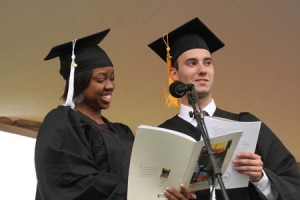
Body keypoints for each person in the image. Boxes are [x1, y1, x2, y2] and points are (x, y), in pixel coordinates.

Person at [148, 17, 300, 200]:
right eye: (192, 63)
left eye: (208, 62)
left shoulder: (245, 124)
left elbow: (293, 185)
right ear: (174, 74)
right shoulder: (161, 136)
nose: (203, 70)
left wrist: (261, 177)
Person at [34, 29, 135, 200]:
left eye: (112, 78)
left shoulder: (121, 131)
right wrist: (130, 191)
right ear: (79, 82)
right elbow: (72, 180)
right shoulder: (62, 122)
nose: (110, 86)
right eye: (101, 79)